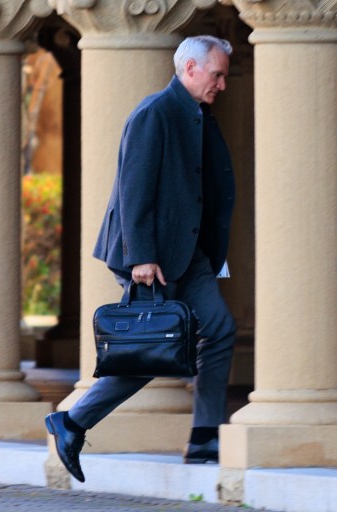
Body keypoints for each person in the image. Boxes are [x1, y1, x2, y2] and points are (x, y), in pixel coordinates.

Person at [44, 35, 237, 483]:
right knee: (151, 353)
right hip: (154, 257)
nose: (222, 84)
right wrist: (141, 257)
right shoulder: (155, 113)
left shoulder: (197, 114)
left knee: (220, 330)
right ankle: (72, 422)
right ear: (190, 69)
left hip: (192, 256)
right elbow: (133, 190)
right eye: (217, 74)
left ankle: (205, 434)